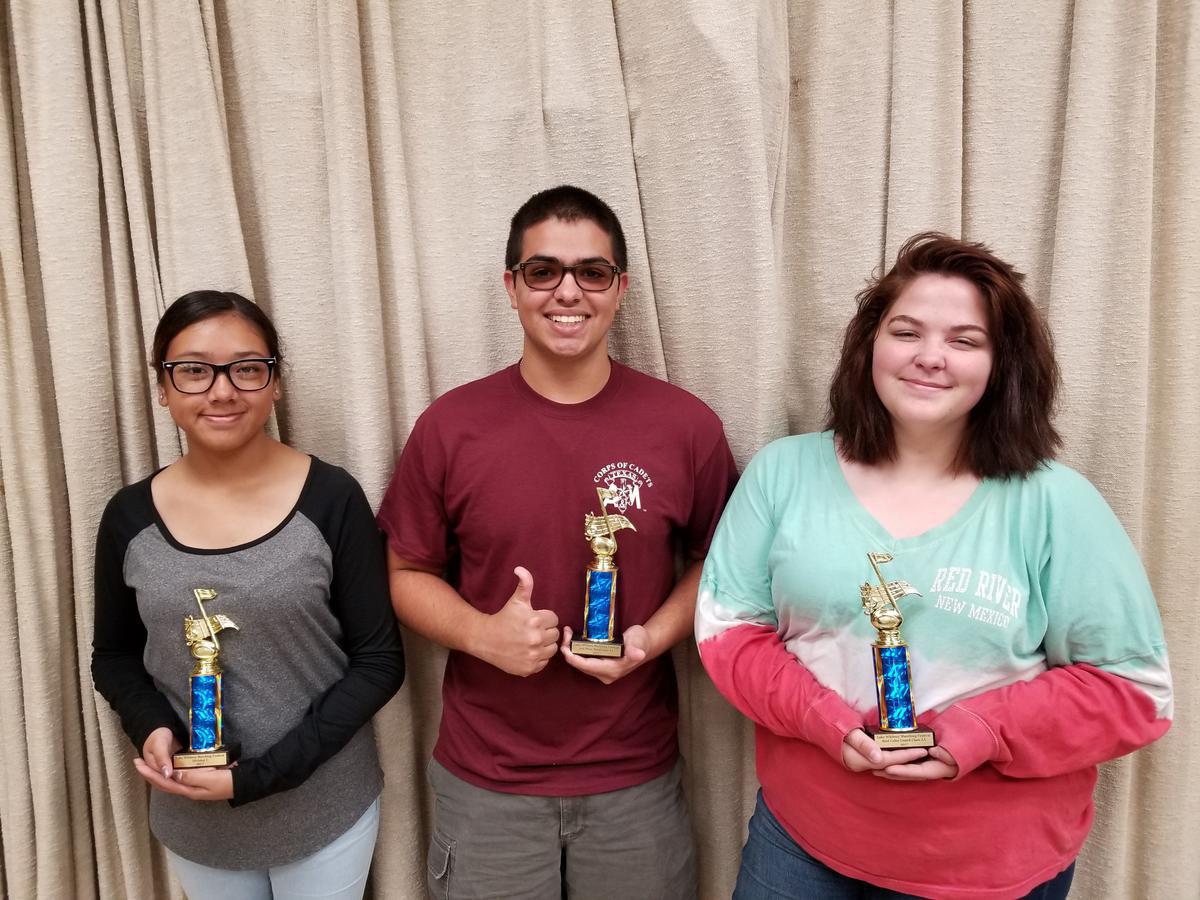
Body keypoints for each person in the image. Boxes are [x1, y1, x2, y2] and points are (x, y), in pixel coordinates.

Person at [696, 233, 1172, 900]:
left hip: (988, 869)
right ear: (870, 345)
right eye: (906, 331)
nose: (929, 357)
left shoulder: (1056, 503)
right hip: (802, 845)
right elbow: (728, 627)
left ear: (1002, 363)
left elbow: (1134, 691)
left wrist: (980, 731)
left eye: (964, 340)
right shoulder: (784, 473)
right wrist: (824, 721)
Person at [377, 185, 738, 898]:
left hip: (634, 778)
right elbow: (405, 569)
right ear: (511, 288)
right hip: (488, 785)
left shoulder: (684, 426)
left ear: (620, 289)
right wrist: (483, 636)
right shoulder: (451, 427)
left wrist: (651, 639)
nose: (567, 292)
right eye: (543, 271)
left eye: (591, 272)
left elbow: (721, 564)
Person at [92, 291, 405, 900]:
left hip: (323, 808)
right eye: (193, 370)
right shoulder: (127, 517)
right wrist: (151, 727)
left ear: (275, 383)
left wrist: (258, 778)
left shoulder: (333, 498)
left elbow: (379, 662)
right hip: (194, 817)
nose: (222, 390)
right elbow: (115, 656)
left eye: (246, 368)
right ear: (162, 388)